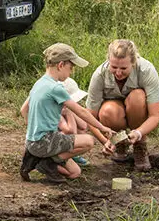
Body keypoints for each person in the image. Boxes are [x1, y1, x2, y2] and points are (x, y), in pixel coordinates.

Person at [19, 43, 114, 183]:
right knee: (89, 141)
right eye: (71, 68)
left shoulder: (39, 83)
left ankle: (38, 160)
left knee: (74, 173)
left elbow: (23, 109)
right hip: (44, 141)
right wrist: (102, 127)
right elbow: (81, 111)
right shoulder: (55, 88)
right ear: (61, 65)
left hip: (31, 142)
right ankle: (48, 162)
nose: (71, 72)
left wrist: (33, 130)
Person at [86, 39, 159, 171]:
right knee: (107, 111)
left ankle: (139, 145)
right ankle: (119, 143)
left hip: (138, 110)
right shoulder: (99, 75)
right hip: (114, 112)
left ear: (133, 62)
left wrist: (139, 132)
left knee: (137, 97)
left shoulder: (146, 70)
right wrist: (105, 141)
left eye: (123, 68)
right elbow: (89, 117)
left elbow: (155, 115)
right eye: (114, 67)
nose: (118, 73)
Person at [21, 76, 92, 167]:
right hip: (48, 139)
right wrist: (69, 113)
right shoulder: (53, 110)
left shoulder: (64, 108)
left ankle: (67, 154)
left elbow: (84, 125)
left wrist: (70, 112)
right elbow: (70, 131)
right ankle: (53, 158)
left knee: (81, 131)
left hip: (52, 136)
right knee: (71, 134)